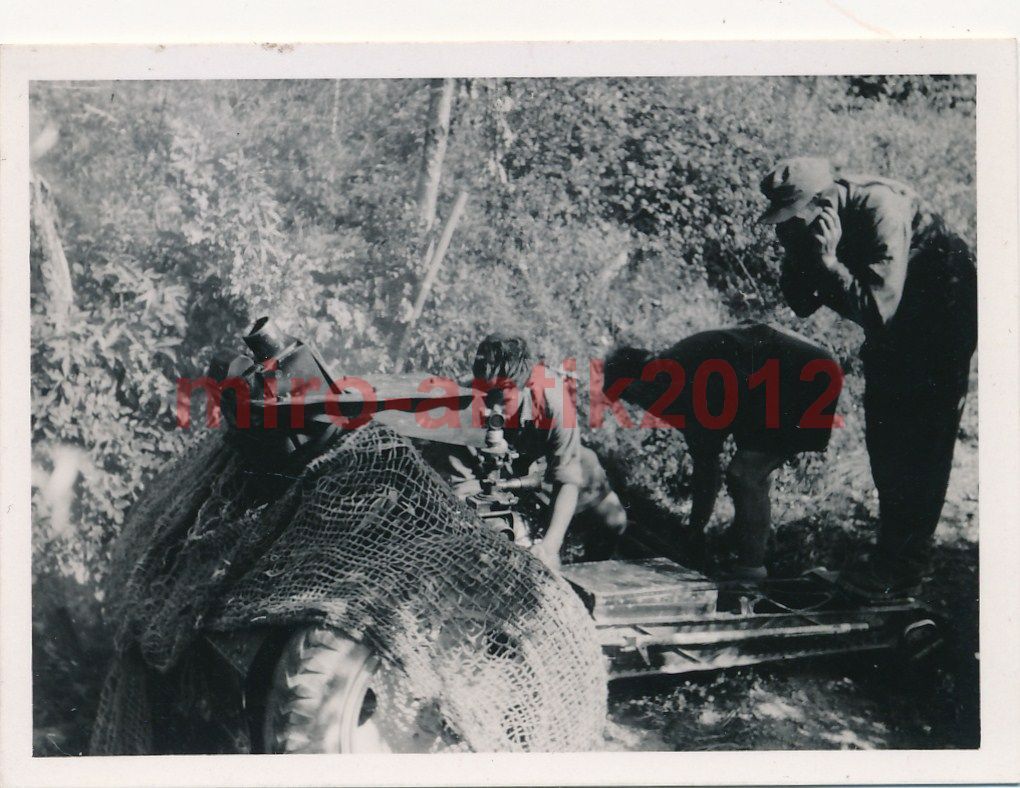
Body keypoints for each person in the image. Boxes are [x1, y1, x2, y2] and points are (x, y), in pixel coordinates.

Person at [759, 156, 977, 598]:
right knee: (885, 436)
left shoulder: (880, 207)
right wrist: (799, 253)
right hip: (896, 332)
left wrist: (826, 262)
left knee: (921, 446)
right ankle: (890, 558)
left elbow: (879, 309)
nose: (790, 228)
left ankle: (905, 568)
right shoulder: (816, 224)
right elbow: (800, 302)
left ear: (823, 202)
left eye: (793, 219)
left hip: (942, 323)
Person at [603, 323, 843, 583]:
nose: (637, 406)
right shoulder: (673, 371)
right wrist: (695, 529)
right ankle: (749, 558)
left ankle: (750, 576)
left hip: (800, 372)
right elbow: (707, 465)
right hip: (789, 372)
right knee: (751, 472)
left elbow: (707, 471)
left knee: (746, 474)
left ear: (641, 379)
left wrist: (694, 532)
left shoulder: (676, 382)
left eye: (630, 396)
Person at [467, 333, 628, 571]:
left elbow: (568, 479)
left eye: (503, 397)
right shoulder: (470, 394)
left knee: (613, 522)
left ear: (524, 386)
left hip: (549, 466)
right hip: (506, 467)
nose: (494, 407)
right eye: (488, 395)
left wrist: (549, 548)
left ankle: (589, 577)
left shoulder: (554, 401)